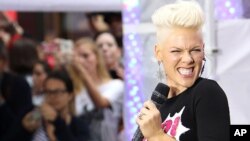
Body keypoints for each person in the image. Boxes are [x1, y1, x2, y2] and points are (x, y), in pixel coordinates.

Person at [136, 1, 230, 141]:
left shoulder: (206, 92)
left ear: (203, 50)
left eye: (195, 50)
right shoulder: (158, 107)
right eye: (176, 51)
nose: (188, 59)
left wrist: (157, 136)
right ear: (158, 53)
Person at [68, 37, 124, 141]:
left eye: (85, 56)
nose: (80, 61)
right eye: (76, 58)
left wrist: (81, 72)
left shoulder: (116, 85)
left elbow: (101, 103)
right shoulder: (75, 91)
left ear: (97, 58)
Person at [22, 69, 90, 141]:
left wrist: (57, 122)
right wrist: (35, 116)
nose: (52, 96)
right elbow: (23, 128)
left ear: (70, 95)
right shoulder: (37, 113)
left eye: (57, 92)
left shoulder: (79, 126)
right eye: (48, 92)